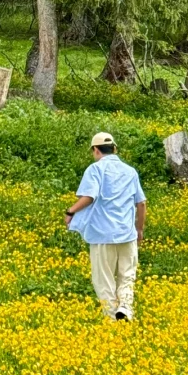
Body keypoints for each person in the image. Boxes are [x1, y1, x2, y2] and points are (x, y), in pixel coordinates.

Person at [65, 131, 145, 321]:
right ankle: (125, 308)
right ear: (114, 149)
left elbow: (89, 196)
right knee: (127, 275)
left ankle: (111, 317)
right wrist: (139, 229)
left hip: (102, 234)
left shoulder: (95, 170)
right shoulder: (130, 171)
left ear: (95, 150)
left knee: (104, 279)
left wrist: (70, 212)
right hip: (127, 233)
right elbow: (141, 203)